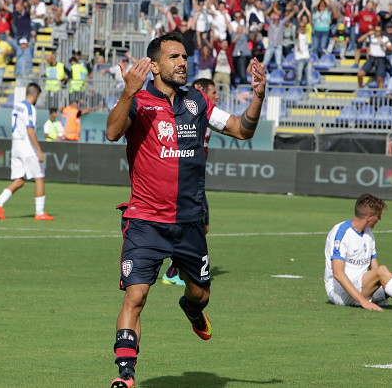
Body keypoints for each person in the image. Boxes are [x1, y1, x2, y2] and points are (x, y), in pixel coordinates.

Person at [105, 32, 266, 388]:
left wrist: (257, 97)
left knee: (200, 294)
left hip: (190, 223)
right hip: (145, 220)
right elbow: (112, 132)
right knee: (136, 295)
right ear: (155, 65)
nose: (182, 62)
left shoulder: (198, 102)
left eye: (184, 57)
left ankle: (191, 309)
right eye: (174, 57)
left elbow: (242, 130)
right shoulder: (139, 101)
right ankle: (125, 374)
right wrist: (128, 91)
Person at [162, 77, 219, 286]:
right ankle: (173, 270)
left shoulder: (207, 113)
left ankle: (178, 268)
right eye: (213, 92)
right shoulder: (187, 114)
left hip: (197, 181)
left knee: (202, 227)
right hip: (186, 183)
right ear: (200, 90)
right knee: (192, 226)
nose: (217, 96)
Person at [0, 83, 54, 221]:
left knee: (19, 180)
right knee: (39, 178)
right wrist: (39, 149)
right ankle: (40, 213)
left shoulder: (17, 106)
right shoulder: (30, 108)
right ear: (35, 94)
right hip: (27, 146)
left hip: (16, 145)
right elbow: (30, 129)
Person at [295, 21, 312, 87]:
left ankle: (309, 95)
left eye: (303, 26)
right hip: (299, 58)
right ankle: (296, 94)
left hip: (307, 58)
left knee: (309, 78)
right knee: (298, 78)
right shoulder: (297, 35)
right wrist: (298, 32)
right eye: (300, 26)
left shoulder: (306, 35)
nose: (302, 28)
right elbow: (296, 37)